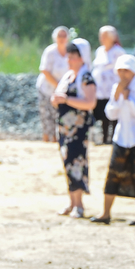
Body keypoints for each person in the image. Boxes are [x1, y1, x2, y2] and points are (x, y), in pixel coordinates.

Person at [90, 55, 135, 227]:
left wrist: (129, 100)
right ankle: (105, 213)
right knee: (113, 175)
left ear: (132, 70)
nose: (122, 74)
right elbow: (110, 114)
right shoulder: (116, 87)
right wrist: (119, 97)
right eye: (120, 70)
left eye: (126, 70)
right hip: (121, 137)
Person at [52, 40, 97, 219]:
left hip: (78, 130)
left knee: (77, 161)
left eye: (73, 56)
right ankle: (72, 202)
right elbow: (58, 95)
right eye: (69, 56)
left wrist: (66, 100)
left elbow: (90, 102)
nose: (69, 59)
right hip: (65, 129)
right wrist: (56, 99)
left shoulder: (86, 77)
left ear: (82, 58)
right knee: (67, 162)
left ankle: (79, 204)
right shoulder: (68, 76)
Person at [36, 26, 70, 143]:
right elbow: (45, 70)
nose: (62, 38)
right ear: (55, 38)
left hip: (62, 91)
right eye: (59, 36)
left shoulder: (70, 52)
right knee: (46, 115)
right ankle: (46, 138)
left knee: (58, 115)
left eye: (64, 36)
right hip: (46, 88)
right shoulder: (50, 51)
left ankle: (57, 138)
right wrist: (58, 85)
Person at [92, 25, 124, 145]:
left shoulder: (118, 51)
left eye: (105, 35)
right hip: (100, 89)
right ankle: (105, 138)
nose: (102, 38)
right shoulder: (99, 51)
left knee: (114, 113)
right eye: (101, 35)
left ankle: (114, 139)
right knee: (102, 114)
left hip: (113, 87)